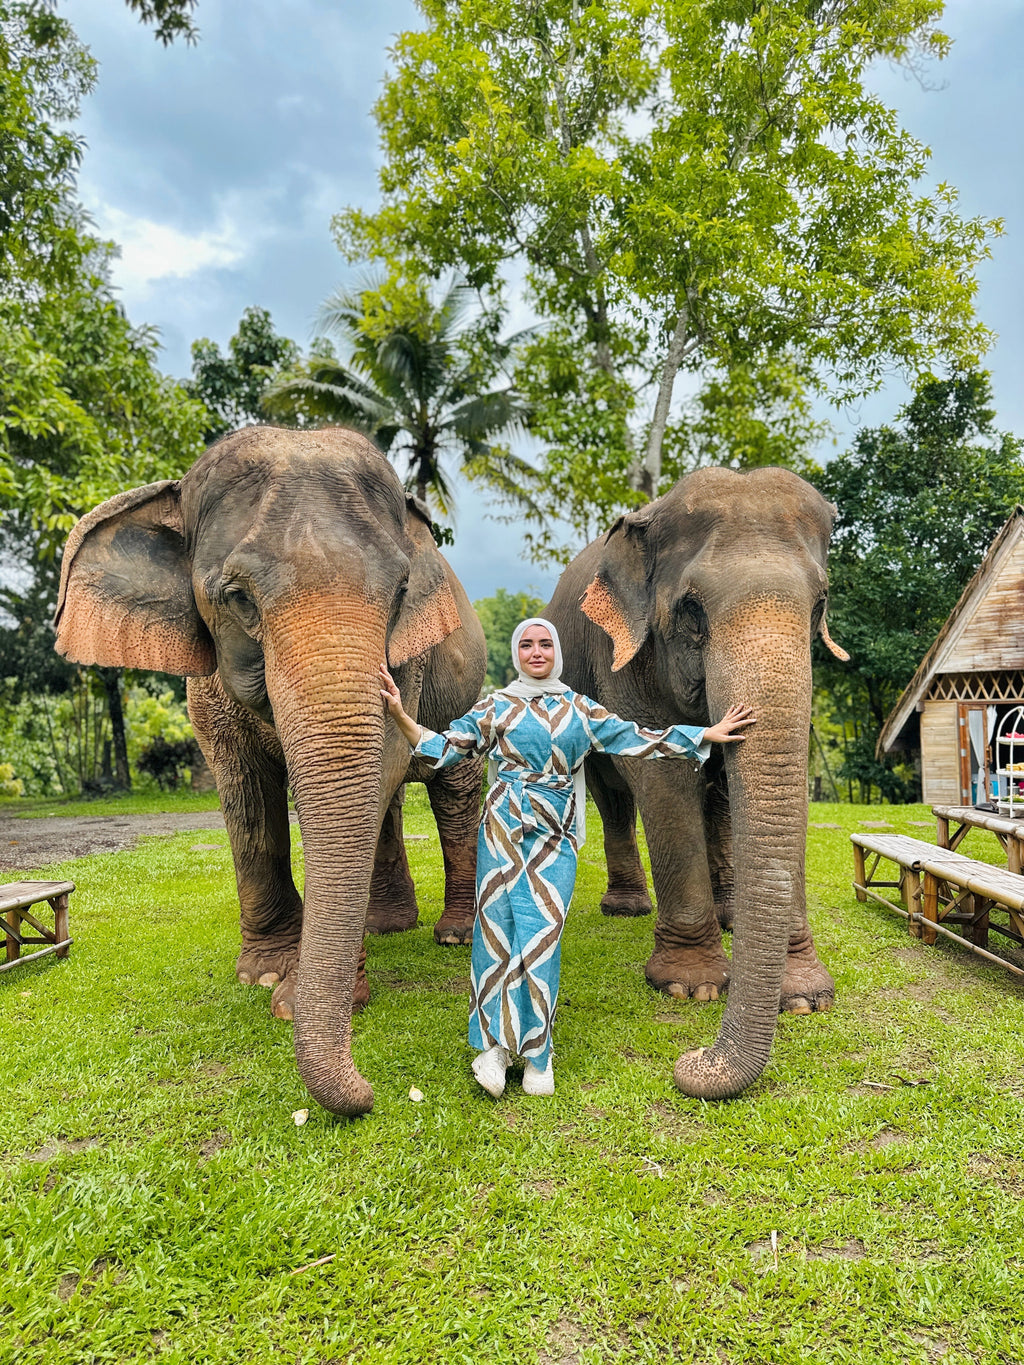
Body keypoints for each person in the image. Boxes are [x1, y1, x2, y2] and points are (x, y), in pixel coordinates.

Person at [379, 617, 754, 1099]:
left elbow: (638, 738)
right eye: (528, 645)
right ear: (516, 653)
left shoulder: (580, 709)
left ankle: (538, 1053)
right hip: (501, 834)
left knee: (541, 940)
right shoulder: (495, 705)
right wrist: (399, 713)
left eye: (545, 644)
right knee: (496, 937)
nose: (537, 652)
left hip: (554, 837)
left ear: (555, 652)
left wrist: (705, 734)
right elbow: (443, 749)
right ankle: (493, 1049)